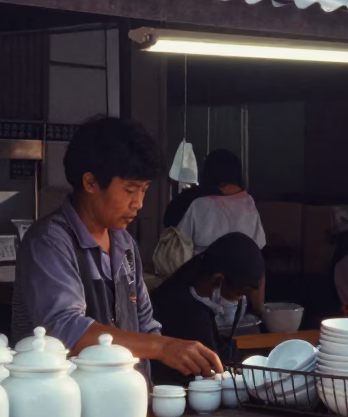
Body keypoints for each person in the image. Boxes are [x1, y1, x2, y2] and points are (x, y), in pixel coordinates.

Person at [12, 116, 224, 379]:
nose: (138, 203)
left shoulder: (124, 245)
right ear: (90, 182)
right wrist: (162, 347)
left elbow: (145, 325)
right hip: (64, 403)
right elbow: (66, 330)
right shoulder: (49, 242)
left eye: (144, 190)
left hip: (123, 399)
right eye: (130, 190)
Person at [150, 232, 265, 387]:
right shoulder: (179, 307)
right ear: (218, 279)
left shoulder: (199, 300)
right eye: (238, 294)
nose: (238, 301)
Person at [163, 149, 266, 254]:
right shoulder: (249, 203)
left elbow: (179, 243)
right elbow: (260, 243)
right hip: (243, 268)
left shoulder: (198, 204)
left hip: (203, 267)